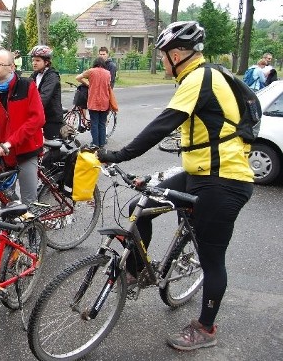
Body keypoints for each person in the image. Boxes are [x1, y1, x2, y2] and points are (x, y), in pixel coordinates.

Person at [98, 21, 253, 352]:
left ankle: (206, 327)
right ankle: (138, 271)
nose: (162, 62)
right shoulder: (196, 77)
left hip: (225, 180)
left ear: (178, 54)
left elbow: (161, 124)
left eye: (163, 56)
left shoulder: (199, 78)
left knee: (212, 258)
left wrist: (117, 154)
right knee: (138, 209)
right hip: (197, 172)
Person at [0, 49, 45, 206]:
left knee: (29, 201)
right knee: (6, 201)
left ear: (11, 67)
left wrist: (11, 142)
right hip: (4, 155)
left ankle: (32, 230)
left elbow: (37, 119)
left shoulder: (27, 86)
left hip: (26, 150)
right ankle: (11, 230)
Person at [76, 57, 113, 148]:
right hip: (105, 101)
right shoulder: (108, 73)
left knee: (94, 123)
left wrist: (88, 84)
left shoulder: (91, 71)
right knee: (102, 123)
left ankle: (95, 143)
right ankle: (102, 143)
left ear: (95, 63)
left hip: (94, 101)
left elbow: (78, 78)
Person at [29, 45, 63, 140]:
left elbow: (43, 97)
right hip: (40, 117)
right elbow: (25, 90)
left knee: (52, 148)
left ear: (46, 62)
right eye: (33, 60)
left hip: (51, 118)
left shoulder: (52, 77)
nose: (34, 63)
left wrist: (29, 109)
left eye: (37, 60)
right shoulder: (35, 75)